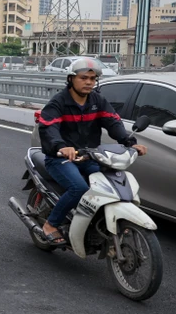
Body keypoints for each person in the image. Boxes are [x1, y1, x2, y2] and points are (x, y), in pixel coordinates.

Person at [36, 57, 147, 245]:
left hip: (90, 156)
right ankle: (51, 224)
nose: (89, 82)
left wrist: (129, 142)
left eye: (93, 78)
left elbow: (113, 122)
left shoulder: (98, 101)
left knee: (110, 185)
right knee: (79, 187)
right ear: (71, 79)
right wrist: (62, 147)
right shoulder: (59, 102)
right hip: (61, 158)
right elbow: (49, 128)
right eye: (83, 78)